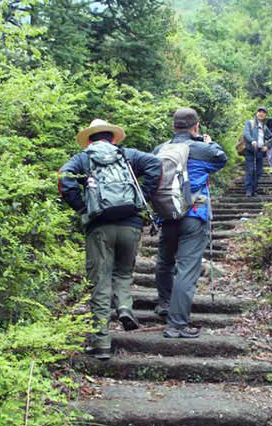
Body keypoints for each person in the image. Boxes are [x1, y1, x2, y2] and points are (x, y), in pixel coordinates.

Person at [58, 119, 161, 359]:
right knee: (123, 273)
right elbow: (155, 165)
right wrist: (141, 197)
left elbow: (64, 179)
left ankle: (101, 342)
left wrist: (82, 208)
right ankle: (124, 306)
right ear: (112, 138)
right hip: (131, 223)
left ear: (90, 139)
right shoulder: (127, 155)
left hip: (100, 225)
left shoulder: (83, 158)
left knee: (100, 281)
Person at [154, 108, 227, 338]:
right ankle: (177, 324)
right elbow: (221, 158)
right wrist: (209, 142)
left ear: (174, 126)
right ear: (195, 126)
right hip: (194, 214)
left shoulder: (160, 149)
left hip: (166, 214)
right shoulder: (202, 149)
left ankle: (165, 304)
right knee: (187, 268)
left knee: (165, 260)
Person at [242, 106, 272, 197]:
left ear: (265, 115)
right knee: (250, 170)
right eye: (260, 111)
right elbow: (246, 133)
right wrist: (252, 140)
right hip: (250, 150)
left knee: (259, 171)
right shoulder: (250, 123)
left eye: (263, 112)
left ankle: (254, 189)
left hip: (260, 151)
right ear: (256, 113)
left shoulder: (264, 127)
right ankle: (248, 190)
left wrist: (267, 146)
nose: (261, 113)